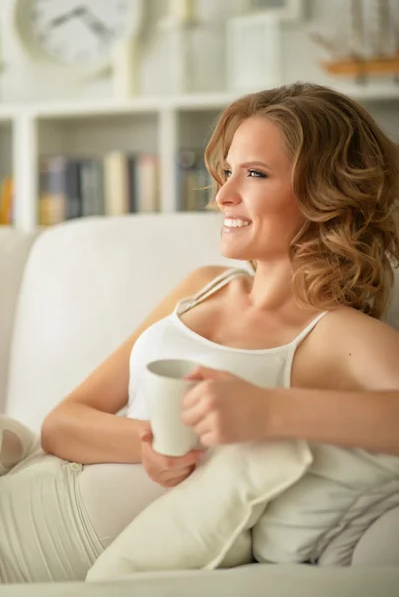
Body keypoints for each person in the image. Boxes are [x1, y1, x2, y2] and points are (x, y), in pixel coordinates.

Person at [1, 81, 399, 584]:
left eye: (254, 174)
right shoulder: (204, 287)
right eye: (228, 171)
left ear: (328, 194)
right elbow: (62, 424)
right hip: (32, 489)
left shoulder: (338, 333)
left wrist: (268, 412)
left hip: (56, 548)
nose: (224, 195)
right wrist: (147, 446)